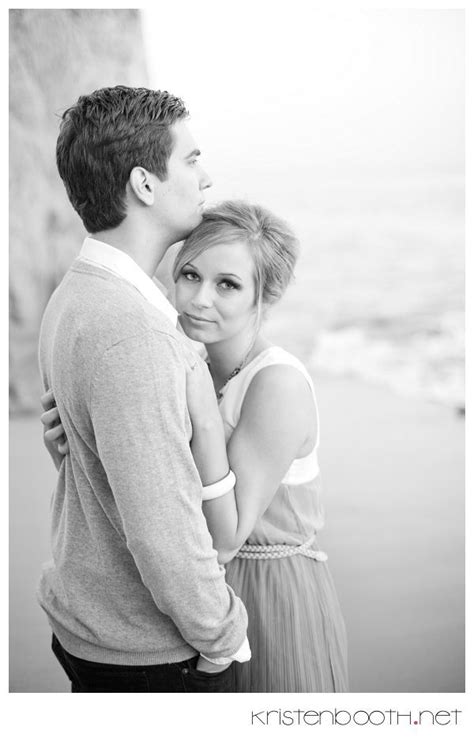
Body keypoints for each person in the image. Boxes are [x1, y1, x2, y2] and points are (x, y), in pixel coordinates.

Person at [44, 199, 349, 692]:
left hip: (264, 597)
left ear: (263, 297)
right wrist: (69, 453)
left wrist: (207, 421)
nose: (198, 299)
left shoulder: (277, 385)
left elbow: (226, 536)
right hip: (193, 594)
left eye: (227, 284)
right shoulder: (182, 363)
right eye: (189, 275)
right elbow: (155, 496)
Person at [37, 86, 250, 693]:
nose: (205, 177)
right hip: (147, 653)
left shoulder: (77, 294)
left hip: (95, 625)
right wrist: (222, 636)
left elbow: (99, 464)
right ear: (144, 184)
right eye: (190, 159)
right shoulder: (130, 331)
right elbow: (163, 529)